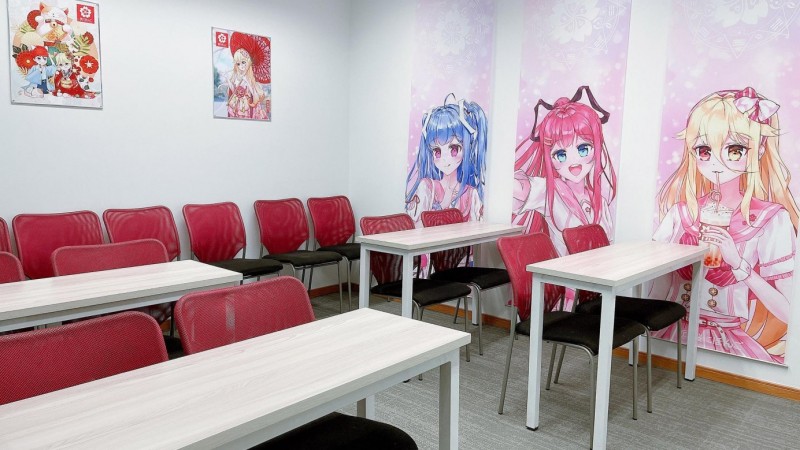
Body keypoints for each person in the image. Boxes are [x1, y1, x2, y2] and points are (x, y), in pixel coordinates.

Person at [650, 87, 798, 363]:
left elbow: (790, 312)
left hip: (728, 336)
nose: (717, 162)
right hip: (672, 329)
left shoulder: (770, 219)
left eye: (734, 150)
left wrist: (739, 264)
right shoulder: (681, 213)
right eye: (704, 150)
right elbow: (658, 287)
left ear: (759, 150)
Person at [512, 86, 617, 257]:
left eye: (583, 149)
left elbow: (608, 247)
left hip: (598, 271)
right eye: (561, 154)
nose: (573, 162)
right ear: (549, 157)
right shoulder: (548, 192)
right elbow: (515, 187)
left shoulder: (600, 202)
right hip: (564, 272)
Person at [406, 95, 487, 223]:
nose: (444, 159)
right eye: (437, 151)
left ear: (466, 148)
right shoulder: (427, 187)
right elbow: (417, 228)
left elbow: (477, 230)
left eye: (454, 148)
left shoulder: (471, 194)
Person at [226, 32, 270, 120]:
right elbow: (231, 91)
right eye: (238, 64)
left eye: (243, 62)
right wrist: (230, 83)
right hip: (236, 104)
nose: (241, 66)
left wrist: (247, 82)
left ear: (249, 62)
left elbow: (256, 94)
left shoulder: (250, 79)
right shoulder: (237, 77)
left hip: (247, 105)